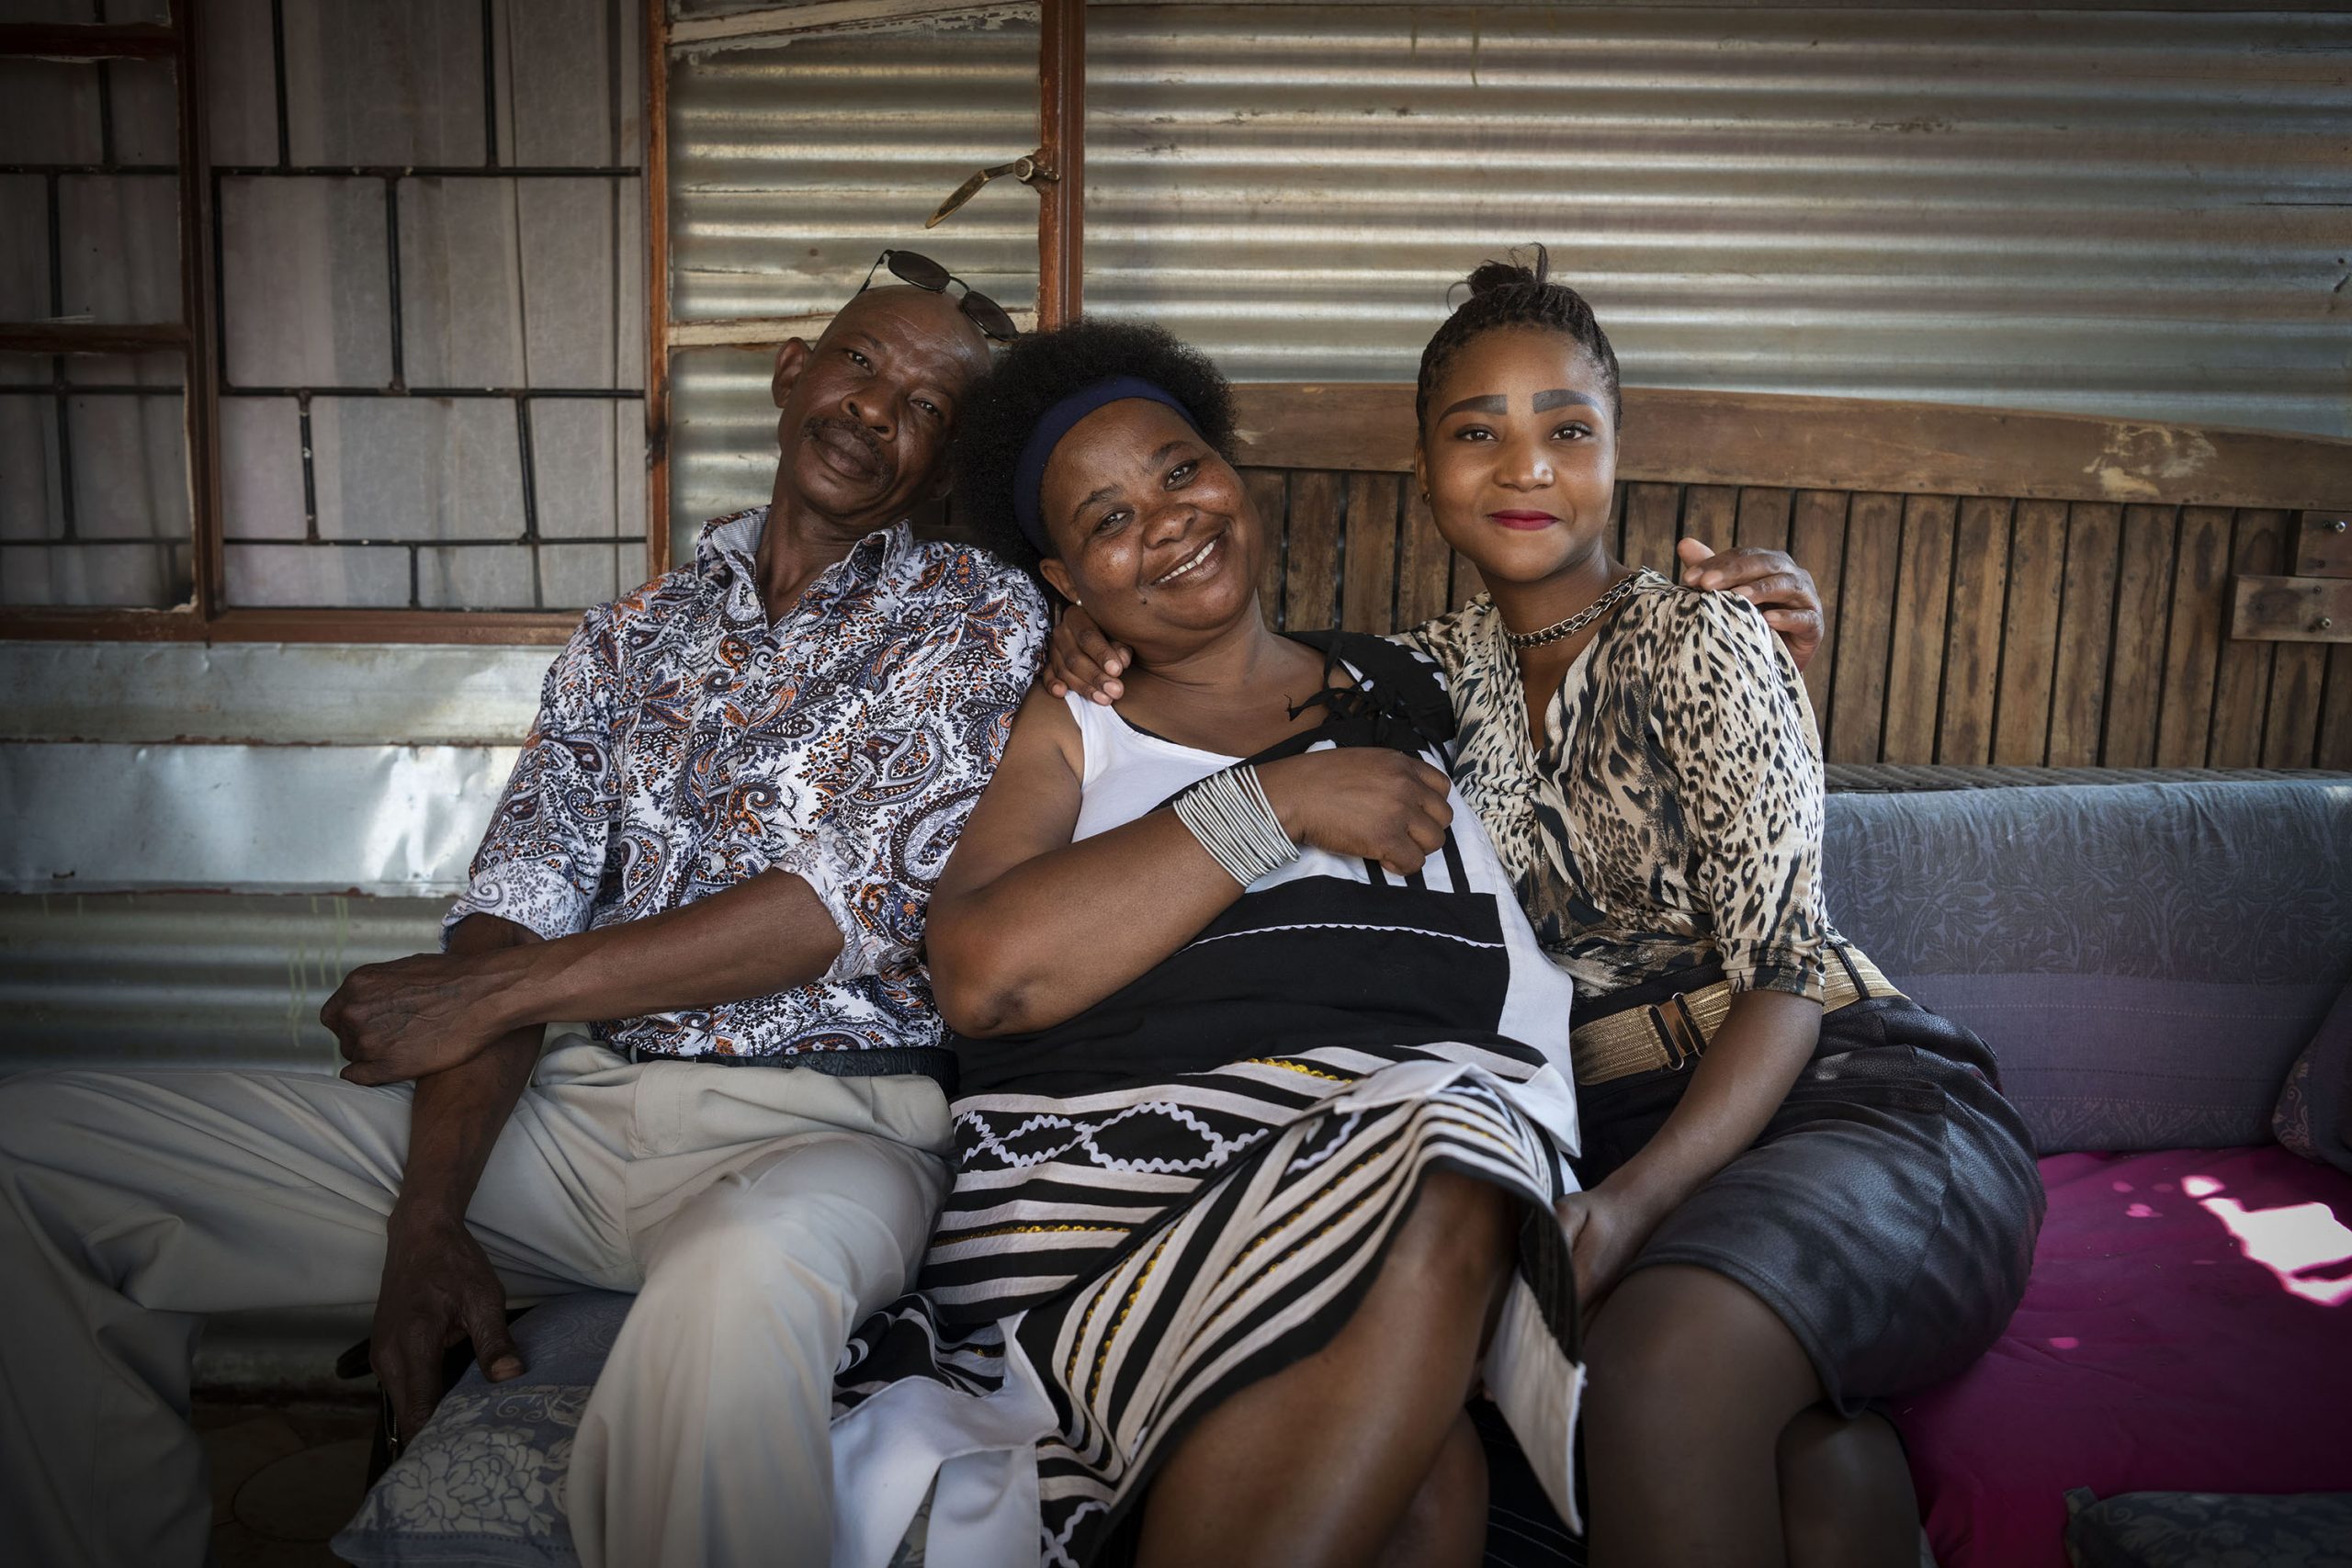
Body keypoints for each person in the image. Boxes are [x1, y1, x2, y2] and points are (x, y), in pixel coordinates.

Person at [0, 255, 1047, 1568]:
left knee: (741, 1285)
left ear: (945, 462)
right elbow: (510, 914)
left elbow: (832, 911)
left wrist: (492, 992)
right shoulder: (627, 638)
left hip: (826, 1128)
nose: (876, 408)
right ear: (794, 371)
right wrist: (428, 1217)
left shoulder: (968, 615)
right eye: (860, 364)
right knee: (32, 1159)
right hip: (576, 1121)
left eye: (929, 406)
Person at [1051, 254, 2045, 1568]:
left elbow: (1790, 971)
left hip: (1842, 1095)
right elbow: (1227, 684)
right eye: (1479, 433)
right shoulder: (1412, 683)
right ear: (1425, 471)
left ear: (1620, 452)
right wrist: (1071, 646)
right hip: (1598, 1130)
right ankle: (1841, 1467)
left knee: (1664, 1368)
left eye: (1566, 430)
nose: (1526, 468)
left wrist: (1628, 1212)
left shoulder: (1701, 636)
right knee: (1752, 1454)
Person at [821, 321, 1588, 1568]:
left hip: (1361, 1214)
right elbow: (983, 973)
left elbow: (1602, 670)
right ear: (1064, 578)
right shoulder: (1073, 727)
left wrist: (1740, 616)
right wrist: (1271, 805)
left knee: (1432, 1485)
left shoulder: (1417, 691)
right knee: (1455, 1149)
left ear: (1233, 472)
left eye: (1180, 472)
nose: (1167, 521)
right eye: (1108, 518)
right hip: (1099, 1224)